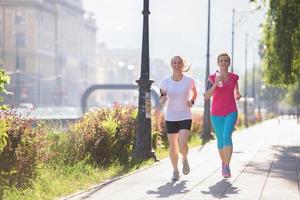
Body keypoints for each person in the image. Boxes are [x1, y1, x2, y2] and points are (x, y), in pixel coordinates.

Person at [160, 56, 198, 181]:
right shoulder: (165, 82)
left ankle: (185, 158)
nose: (177, 64)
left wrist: (191, 101)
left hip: (185, 115)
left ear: (182, 65)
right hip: (171, 117)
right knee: (173, 146)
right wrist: (163, 99)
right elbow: (162, 96)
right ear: (171, 64)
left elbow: (194, 92)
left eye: (179, 62)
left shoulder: (189, 80)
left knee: (182, 143)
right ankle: (175, 171)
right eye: (174, 62)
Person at [204, 52, 241, 178]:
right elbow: (207, 96)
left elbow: (236, 90)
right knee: (220, 139)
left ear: (229, 63)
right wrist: (216, 83)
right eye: (221, 61)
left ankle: (226, 166)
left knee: (226, 136)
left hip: (231, 111)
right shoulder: (211, 78)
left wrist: (238, 94)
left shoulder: (234, 77)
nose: (224, 63)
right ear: (218, 63)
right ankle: (224, 162)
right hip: (216, 113)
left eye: (226, 61)